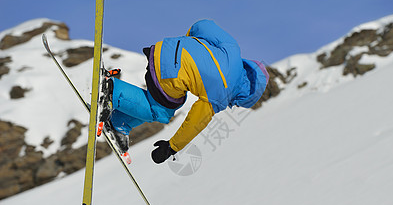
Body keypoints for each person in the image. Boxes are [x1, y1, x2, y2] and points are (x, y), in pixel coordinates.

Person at [99, 19, 269, 164]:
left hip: (164, 48)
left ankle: (119, 122)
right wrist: (171, 147)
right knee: (162, 112)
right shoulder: (222, 97)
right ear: (244, 97)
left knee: (165, 99)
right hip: (170, 73)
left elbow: (203, 25)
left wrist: (185, 46)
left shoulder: (232, 49)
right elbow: (195, 122)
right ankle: (113, 92)